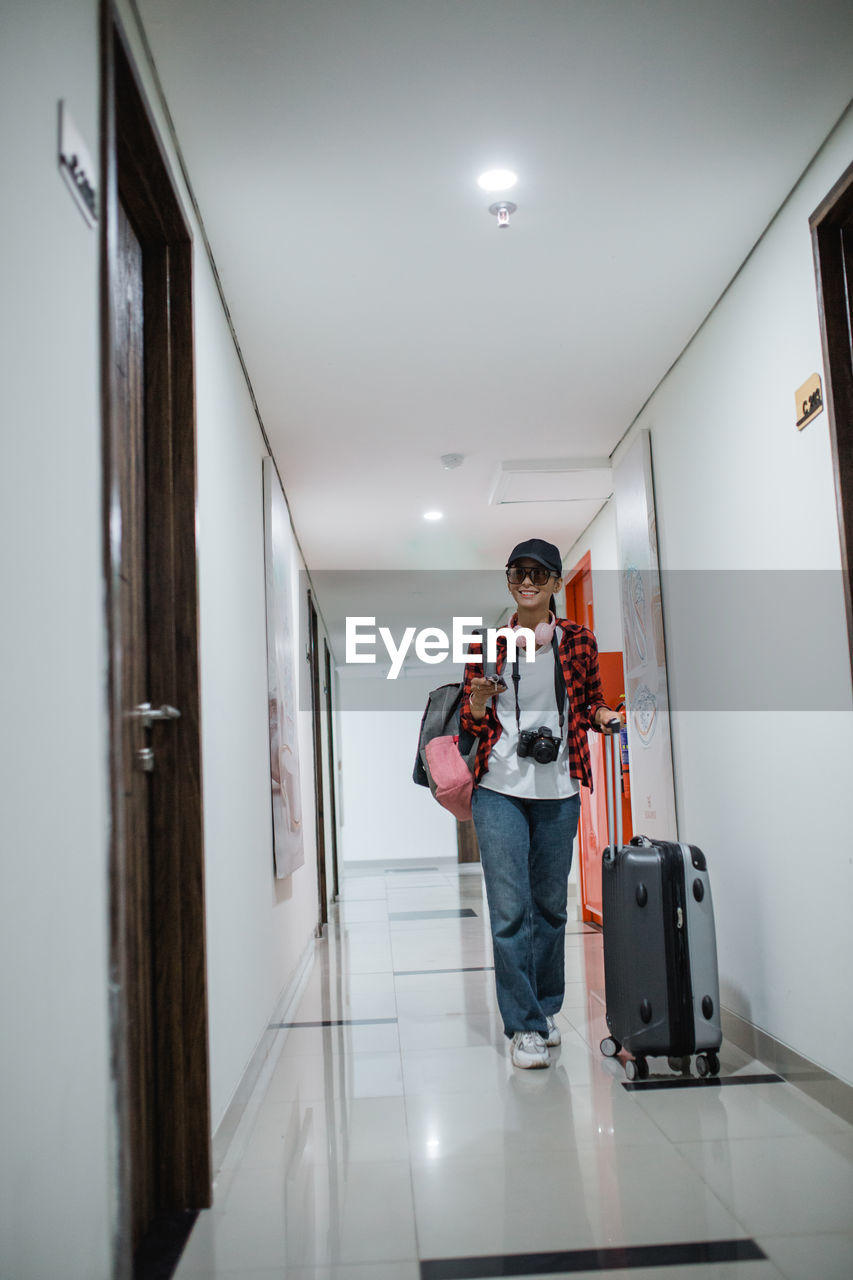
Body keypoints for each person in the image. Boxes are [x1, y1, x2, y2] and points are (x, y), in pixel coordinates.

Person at [460, 538, 620, 1069]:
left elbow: (591, 699)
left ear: (555, 583)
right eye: (516, 573)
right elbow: (471, 722)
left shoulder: (578, 641)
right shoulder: (487, 643)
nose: (525, 582)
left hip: (559, 789)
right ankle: (524, 1026)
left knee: (550, 908)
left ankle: (546, 1009)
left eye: (537, 573)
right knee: (510, 911)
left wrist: (602, 718)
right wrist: (480, 701)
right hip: (498, 787)